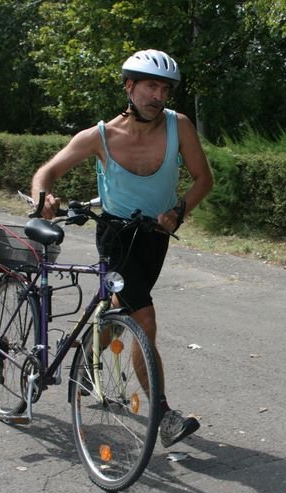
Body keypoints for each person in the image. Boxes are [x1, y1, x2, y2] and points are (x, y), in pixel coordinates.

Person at [31, 49, 214, 447]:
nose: (158, 95)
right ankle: (163, 417)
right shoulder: (100, 136)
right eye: (151, 85)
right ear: (129, 87)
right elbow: (47, 172)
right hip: (115, 234)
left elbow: (203, 179)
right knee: (142, 317)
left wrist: (179, 211)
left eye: (165, 88)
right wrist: (43, 197)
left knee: (119, 307)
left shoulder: (178, 126)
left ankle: (80, 360)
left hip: (155, 237)